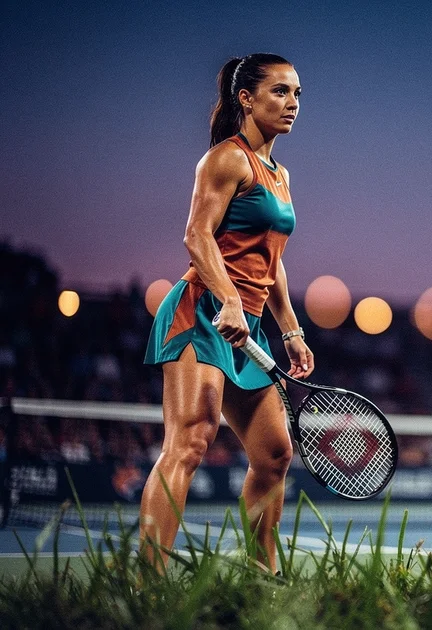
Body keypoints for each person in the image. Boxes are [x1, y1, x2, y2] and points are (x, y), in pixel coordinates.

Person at [140, 53, 313, 573]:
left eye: (298, 94)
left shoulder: (281, 175)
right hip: (202, 314)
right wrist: (231, 300)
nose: (292, 104)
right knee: (191, 441)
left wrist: (292, 331)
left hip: (249, 328)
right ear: (246, 98)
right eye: (280, 92)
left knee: (275, 456)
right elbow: (197, 236)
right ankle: (148, 584)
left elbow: (272, 262)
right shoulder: (225, 158)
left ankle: (263, 574)